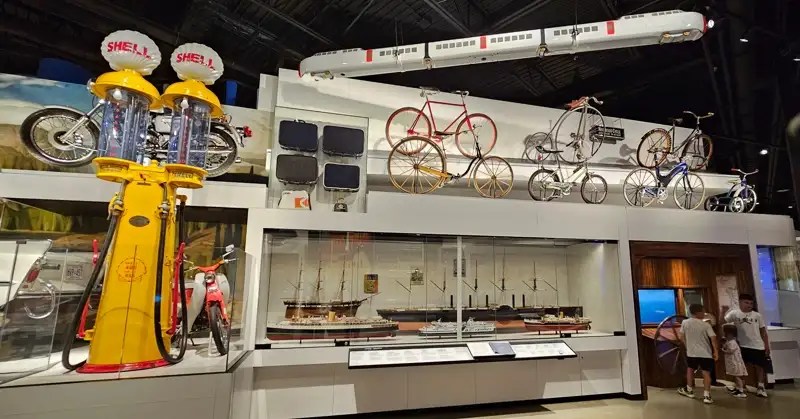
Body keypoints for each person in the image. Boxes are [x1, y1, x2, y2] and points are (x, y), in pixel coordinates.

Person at [724, 293, 771, 398]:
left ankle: (761, 387)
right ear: (740, 302)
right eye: (746, 302)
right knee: (740, 367)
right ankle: (740, 388)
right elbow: (724, 322)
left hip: (758, 345)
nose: (749, 305)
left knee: (760, 367)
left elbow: (763, 331)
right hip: (741, 345)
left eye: (751, 303)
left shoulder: (757, 315)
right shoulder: (734, 313)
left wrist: (766, 345)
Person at [678, 304, 719, 404]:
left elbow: (681, 337)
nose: (704, 314)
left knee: (690, 370)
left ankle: (689, 390)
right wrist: (716, 351)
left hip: (691, 353)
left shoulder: (685, 322)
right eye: (703, 312)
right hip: (706, 353)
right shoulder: (706, 325)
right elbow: (713, 338)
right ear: (698, 312)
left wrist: (687, 346)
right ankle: (707, 395)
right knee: (706, 373)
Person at [721, 324, 748, 398]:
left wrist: (723, 350)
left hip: (735, 362)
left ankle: (741, 391)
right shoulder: (729, 341)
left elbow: (730, 351)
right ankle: (738, 388)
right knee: (735, 376)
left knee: (737, 377)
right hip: (733, 362)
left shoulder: (732, 342)